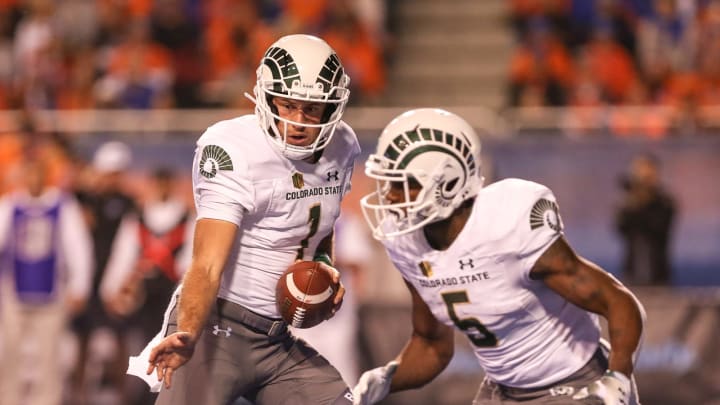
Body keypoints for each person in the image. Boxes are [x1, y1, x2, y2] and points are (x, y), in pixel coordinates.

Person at [352, 108, 646, 405]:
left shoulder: (505, 224)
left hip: (574, 381)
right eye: (389, 182)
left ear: (449, 182)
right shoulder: (406, 241)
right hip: (502, 391)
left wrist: (617, 378)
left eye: (405, 184)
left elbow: (618, 302)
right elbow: (432, 345)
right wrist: (387, 378)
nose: (390, 196)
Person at [128, 34, 360, 405]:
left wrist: (324, 266)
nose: (299, 122)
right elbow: (206, 265)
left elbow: (319, 224)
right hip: (215, 327)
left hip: (277, 339)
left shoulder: (342, 146)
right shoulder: (231, 148)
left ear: (332, 109)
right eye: (287, 105)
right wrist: (187, 332)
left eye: (312, 109)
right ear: (266, 99)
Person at [0, 157, 93, 405]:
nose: (33, 180)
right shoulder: (10, 205)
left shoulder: (62, 205)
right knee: (9, 354)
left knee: (49, 356)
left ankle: (47, 400)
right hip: (14, 292)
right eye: (29, 175)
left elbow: (78, 247)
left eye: (38, 174)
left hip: (53, 292)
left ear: (46, 176)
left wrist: (79, 286)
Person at [615, 153, 676, 286]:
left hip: (658, 276)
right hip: (632, 275)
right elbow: (620, 227)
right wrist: (633, 199)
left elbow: (656, 227)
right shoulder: (627, 204)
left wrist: (643, 199)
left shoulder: (665, 203)